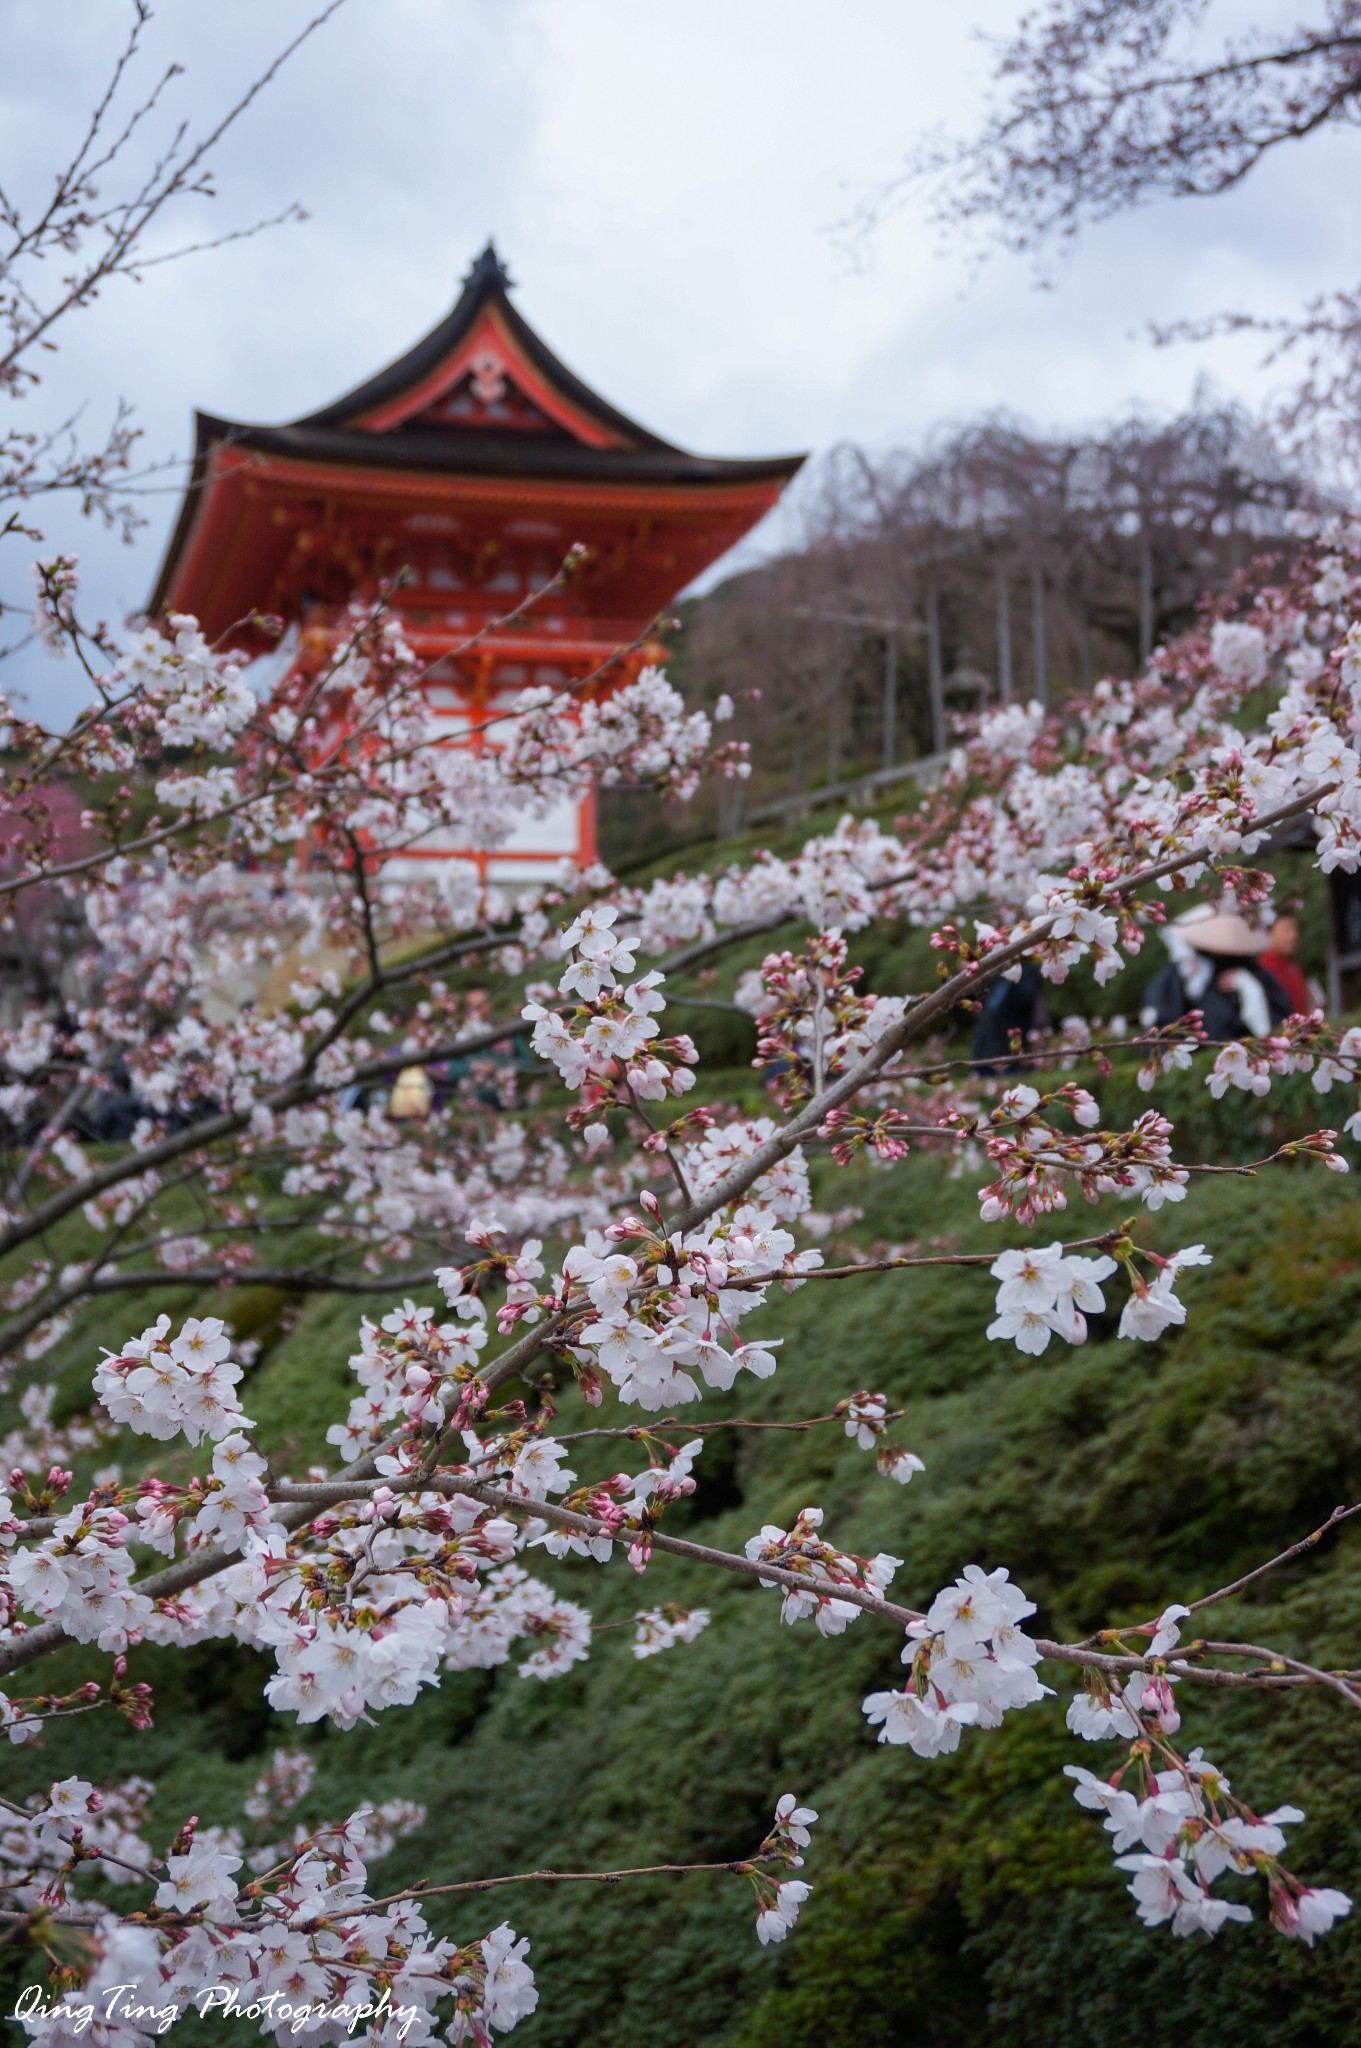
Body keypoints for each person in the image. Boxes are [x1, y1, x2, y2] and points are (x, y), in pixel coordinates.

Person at [1141, 907, 1291, 1039]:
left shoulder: (1246, 965)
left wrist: (1245, 983)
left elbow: (1274, 1003)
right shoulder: (1184, 969)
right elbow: (1166, 1007)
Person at [971, 959, 1050, 1071]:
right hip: (984, 1048)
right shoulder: (994, 974)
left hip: (1013, 1048)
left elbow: (1026, 998)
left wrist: (1012, 974)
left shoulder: (1028, 972)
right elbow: (979, 1003)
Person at [1258, 910, 1318, 1017]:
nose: (1292, 936)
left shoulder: (1295, 967)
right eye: (1286, 930)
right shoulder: (1263, 967)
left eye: (1294, 930)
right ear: (1270, 933)